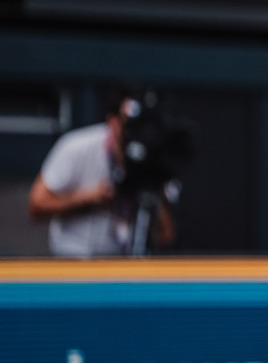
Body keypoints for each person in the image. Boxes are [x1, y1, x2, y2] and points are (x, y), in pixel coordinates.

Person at [27, 89, 177, 257]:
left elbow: (166, 235)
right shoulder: (76, 147)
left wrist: (150, 188)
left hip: (120, 264)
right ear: (112, 122)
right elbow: (36, 204)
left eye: (140, 125)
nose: (133, 132)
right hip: (71, 258)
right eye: (128, 124)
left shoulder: (151, 157)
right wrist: (87, 198)